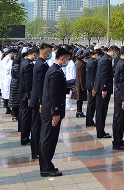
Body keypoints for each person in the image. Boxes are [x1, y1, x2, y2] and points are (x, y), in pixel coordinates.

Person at [39, 47, 71, 177]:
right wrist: (55, 113)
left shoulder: (55, 69)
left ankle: (47, 164)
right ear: (62, 57)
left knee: (49, 139)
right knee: (48, 140)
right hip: (52, 111)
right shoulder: (55, 72)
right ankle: (46, 167)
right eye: (67, 58)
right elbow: (53, 94)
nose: (68, 61)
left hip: (50, 109)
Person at [30, 43, 53, 160]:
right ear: (45, 52)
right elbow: (40, 85)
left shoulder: (41, 63)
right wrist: (40, 102)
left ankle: (37, 149)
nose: (51, 54)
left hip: (37, 98)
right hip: (38, 100)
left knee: (37, 126)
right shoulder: (41, 65)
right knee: (36, 126)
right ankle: (36, 151)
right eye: (50, 52)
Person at [94, 46, 119, 138]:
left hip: (102, 88)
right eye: (116, 53)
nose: (116, 55)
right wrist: (104, 89)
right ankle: (100, 132)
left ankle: (101, 131)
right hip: (103, 90)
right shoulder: (106, 60)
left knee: (102, 111)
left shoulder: (105, 58)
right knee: (101, 111)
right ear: (112, 51)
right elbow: (103, 75)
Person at [19, 47, 38, 146]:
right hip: (26, 95)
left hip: (23, 94)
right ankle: (25, 138)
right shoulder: (29, 65)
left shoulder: (24, 62)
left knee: (25, 116)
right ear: (34, 54)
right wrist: (29, 96)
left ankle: (24, 137)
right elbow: (28, 83)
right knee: (26, 118)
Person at [85, 49, 102, 127]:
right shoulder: (93, 63)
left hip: (90, 84)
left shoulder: (91, 60)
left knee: (91, 104)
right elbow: (93, 77)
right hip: (91, 86)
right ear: (97, 54)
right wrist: (93, 88)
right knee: (91, 104)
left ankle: (90, 120)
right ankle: (89, 120)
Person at [72, 53, 89, 118]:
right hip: (80, 84)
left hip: (78, 83)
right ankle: (79, 112)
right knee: (80, 99)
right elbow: (82, 76)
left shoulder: (79, 63)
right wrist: (83, 86)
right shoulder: (81, 65)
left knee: (79, 99)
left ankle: (79, 111)